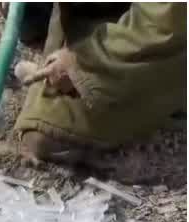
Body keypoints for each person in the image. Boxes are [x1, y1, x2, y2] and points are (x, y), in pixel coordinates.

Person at [13, 2, 186, 165]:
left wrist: (82, 62)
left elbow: (165, 22)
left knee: (43, 136)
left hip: (164, 33)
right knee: (27, 14)